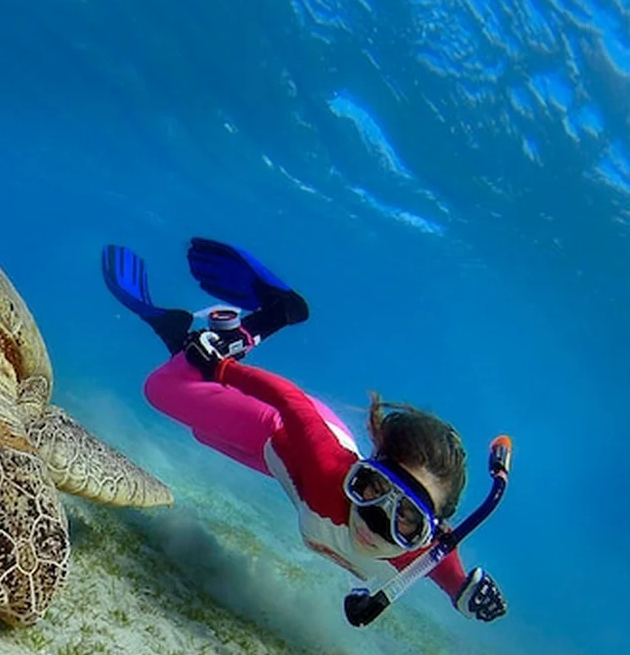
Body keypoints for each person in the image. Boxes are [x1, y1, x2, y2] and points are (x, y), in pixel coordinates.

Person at [102, 238, 507, 624]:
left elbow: (455, 578)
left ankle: (190, 339)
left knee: (201, 430)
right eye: (373, 488)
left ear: (428, 530)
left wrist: (466, 598)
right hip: (281, 432)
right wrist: (222, 366)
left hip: (280, 461)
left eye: (407, 518)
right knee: (163, 389)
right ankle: (265, 318)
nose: (377, 519)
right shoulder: (326, 465)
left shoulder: (421, 557)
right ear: (365, 469)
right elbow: (289, 400)